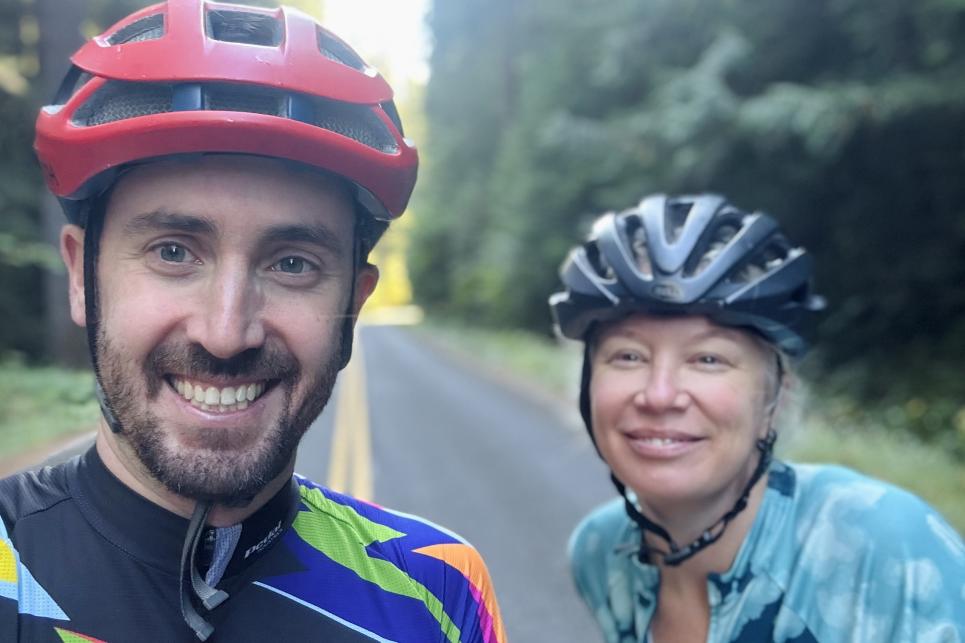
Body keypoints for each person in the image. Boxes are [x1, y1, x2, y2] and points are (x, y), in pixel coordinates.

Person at [0, 2, 506, 641]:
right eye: (173, 252)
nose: (226, 332)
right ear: (82, 276)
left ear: (354, 303)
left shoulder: (438, 591)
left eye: (292, 264)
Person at [550, 193, 965, 642]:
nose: (660, 395)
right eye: (628, 356)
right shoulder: (601, 555)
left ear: (776, 397)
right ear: (588, 384)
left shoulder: (881, 546)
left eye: (708, 359)